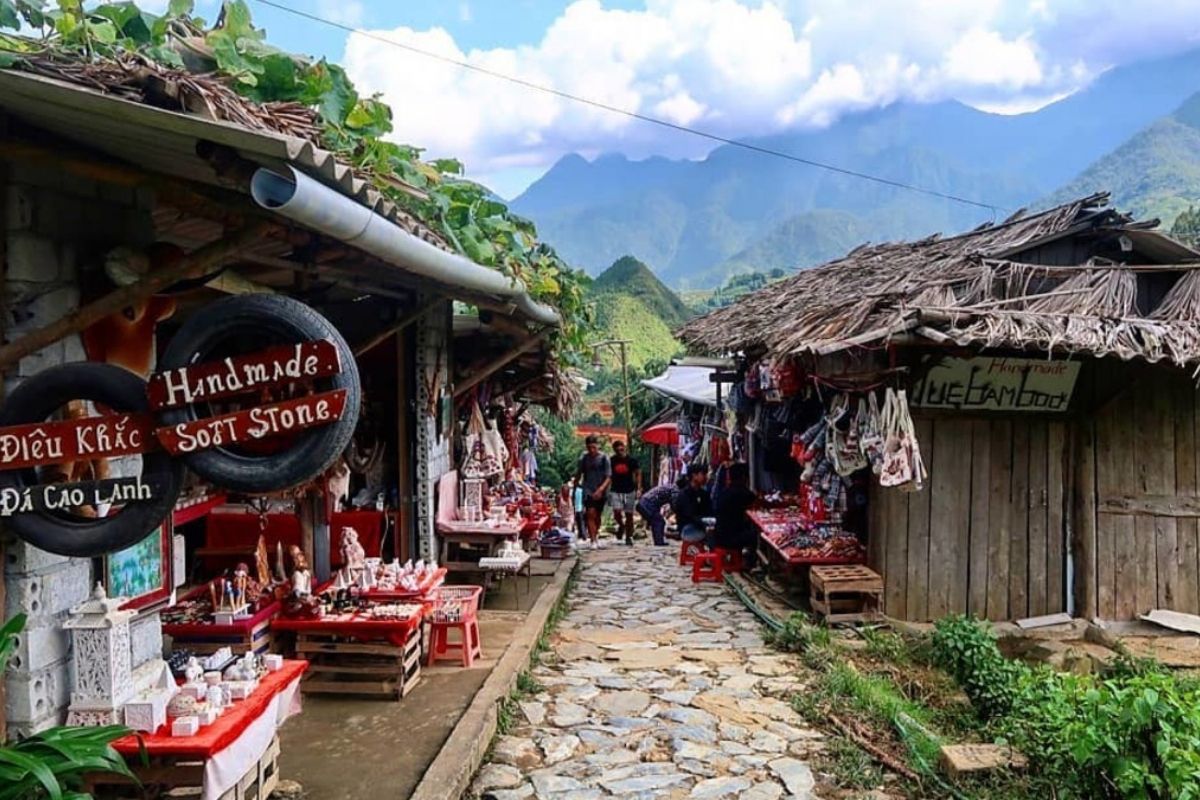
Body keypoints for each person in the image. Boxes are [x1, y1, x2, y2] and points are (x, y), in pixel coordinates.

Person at [714, 462, 758, 569]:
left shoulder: (725, 491)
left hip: (719, 535)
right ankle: (750, 563)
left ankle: (740, 557)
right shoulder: (741, 492)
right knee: (754, 535)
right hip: (729, 539)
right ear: (744, 477)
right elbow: (754, 499)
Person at [574, 435, 611, 548]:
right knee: (590, 513)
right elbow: (579, 473)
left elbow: (609, 476)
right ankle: (593, 540)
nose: (591, 450)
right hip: (588, 489)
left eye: (593, 447)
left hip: (601, 489)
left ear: (597, 446)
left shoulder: (604, 458)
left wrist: (601, 489)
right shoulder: (584, 459)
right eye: (589, 447)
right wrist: (575, 484)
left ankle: (596, 533)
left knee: (597, 516)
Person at [608, 439, 641, 546]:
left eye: (621, 447)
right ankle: (621, 526)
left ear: (624, 447)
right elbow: (608, 475)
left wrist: (639, 488)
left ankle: (629, 536)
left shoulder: (631, 460)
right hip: (616, 490)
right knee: (617, 512)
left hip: (629, 489)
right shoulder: (611, 461)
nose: (619, 450)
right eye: (617, 449)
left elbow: (638, 473)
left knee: (629, 514)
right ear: (614, 450)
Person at [637, 476, 684, 546]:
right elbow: (675, 505)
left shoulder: (670, 487)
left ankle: (658, 540)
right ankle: (659, 542)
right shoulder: (675, 489)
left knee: (656, 521)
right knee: (659, 521)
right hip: (647, 504)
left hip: (643, 503)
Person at [673, 463, 713, 545]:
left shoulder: (704, 494)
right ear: (694, 476)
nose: (705, 477)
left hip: (702, 525)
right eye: (703, 474)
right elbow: (689, 516)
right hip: (688, 528)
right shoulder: (684, 495)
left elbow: (709, 510)